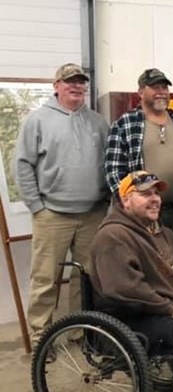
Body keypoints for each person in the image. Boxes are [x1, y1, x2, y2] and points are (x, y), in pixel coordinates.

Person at [14, 63, 109, 348]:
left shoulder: (97, 122)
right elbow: (22, 165)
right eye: (70, 82)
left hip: (92, 214)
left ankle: (80, 332)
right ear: (56, 85)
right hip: (52, 215)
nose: (76, 87)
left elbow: (108, 162)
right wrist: (37, 207)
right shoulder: (37, 120)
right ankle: (41, 339)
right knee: (45, 280)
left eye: (81, 82)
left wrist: (105, 200)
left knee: (87, 278)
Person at [90, 171, 173, 358]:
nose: (155, 199)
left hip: (171, 306)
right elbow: (127, 289)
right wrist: (172, 310)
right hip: (131, 316)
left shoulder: (165, 233)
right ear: (125, 200)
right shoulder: (113, 236)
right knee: (172, 328)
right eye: (146, 194)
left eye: (156, 193)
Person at [105, 68, 173, 233]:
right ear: (141, 92)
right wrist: (129, 205)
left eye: (164, 88)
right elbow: (113, 171)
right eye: (155, 87)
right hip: (142, 213)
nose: (161, 92)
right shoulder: (125, 124)